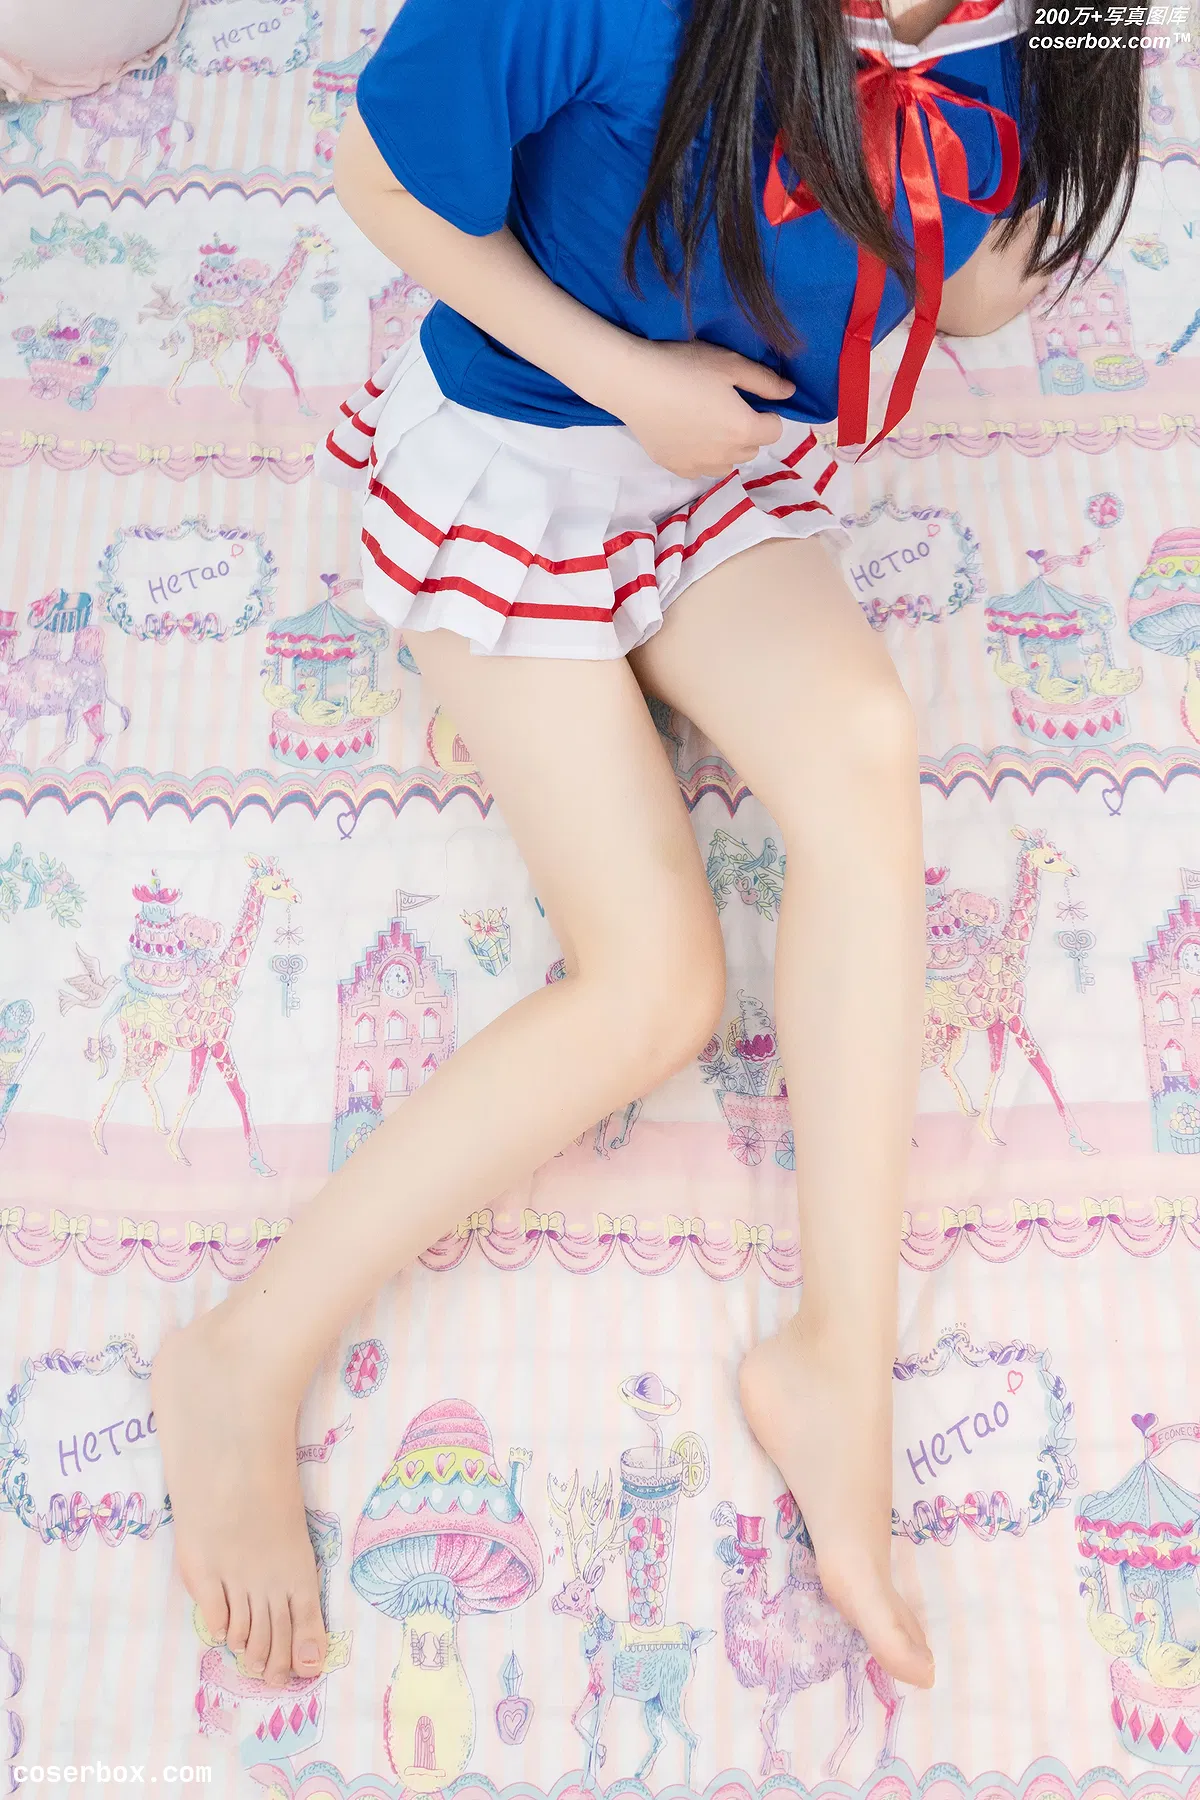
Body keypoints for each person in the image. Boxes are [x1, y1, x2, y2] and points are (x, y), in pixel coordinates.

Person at [150, 0, 1142, 1695]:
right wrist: (628, 382)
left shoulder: (1037, 21)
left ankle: (838, 1363)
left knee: (866, 749)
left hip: (717, 478)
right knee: (655, 987)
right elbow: (375, 178)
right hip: (520, 459)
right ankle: (239, 1354)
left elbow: (969, 275)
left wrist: (982, 229)